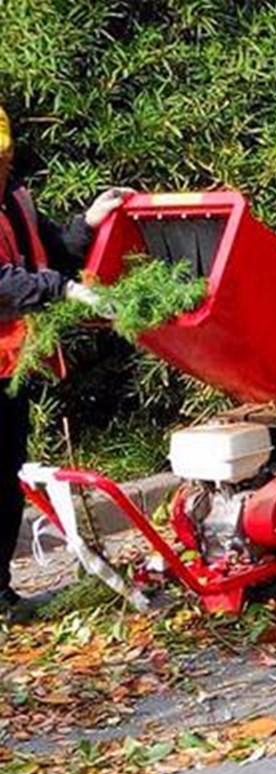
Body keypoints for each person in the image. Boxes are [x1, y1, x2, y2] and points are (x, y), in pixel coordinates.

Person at [0, 104, 133, 615]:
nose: (3, 172)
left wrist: (90, 223)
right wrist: (66, 290)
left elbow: (48, 252)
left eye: (6, 162)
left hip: (10, 366)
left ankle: (3, 598)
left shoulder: (15, 199)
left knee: (6, 476)